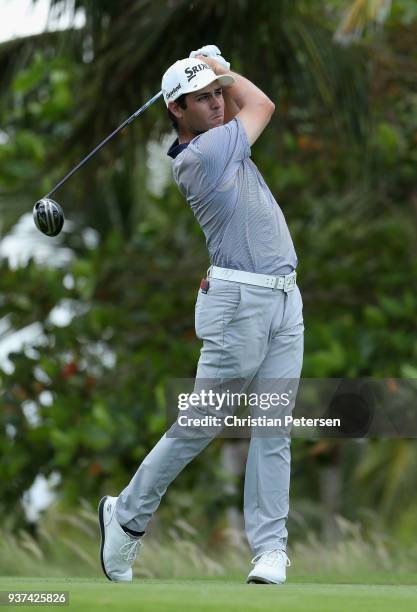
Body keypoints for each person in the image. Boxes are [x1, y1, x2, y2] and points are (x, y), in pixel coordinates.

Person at [98, 45, 304, 585]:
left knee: (273, 427)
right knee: (202, 422)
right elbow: (261, 105)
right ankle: (125, 518)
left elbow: (241, 111)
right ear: (176, 109)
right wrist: (221, 66)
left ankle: (270, 551)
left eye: (216, 96)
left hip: (284, 298)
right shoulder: (202, 157)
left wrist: (210, 72)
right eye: (201, 98)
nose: (216, 104)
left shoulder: (222, 140)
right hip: (239, 303)